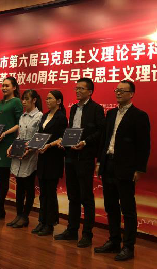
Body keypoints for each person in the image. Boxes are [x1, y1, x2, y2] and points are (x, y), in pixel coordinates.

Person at [94, 80, 151, 262]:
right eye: (116, 90)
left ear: (131, 94)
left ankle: (128, 246)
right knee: (110, 206)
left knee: (127, 209)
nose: (118, 93)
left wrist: (140, 169)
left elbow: (144, 145)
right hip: (108, 164)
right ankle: (114, 241)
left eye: (122, 91)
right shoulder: (110, 113)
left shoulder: (139, 116)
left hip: (126, 167)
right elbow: (104, 140)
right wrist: (99, 161)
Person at [54, 77, 105, 248]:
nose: (77, 91)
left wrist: (85, 142)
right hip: (70, 156)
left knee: (86, 197)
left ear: (90, 91)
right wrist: (65, 141)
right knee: (73, 195)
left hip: (85, 157)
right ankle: (72, 230)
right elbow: (72, 130)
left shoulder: (96, 109)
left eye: (81, 88)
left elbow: (100, 132)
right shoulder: (74, 108)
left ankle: (87, 234)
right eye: (76, 88)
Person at [32, 90, 68, 237]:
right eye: (46, 99)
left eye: (50, 98)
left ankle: (50, 223)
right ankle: (42, 220)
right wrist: (34, 144)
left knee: (50, 192)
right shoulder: (45, 116)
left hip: (53, 157)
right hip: (42, 157)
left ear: (58, 101)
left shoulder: (61, 117)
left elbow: (62, 138)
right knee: (43, 192)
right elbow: (40, 135)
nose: (47, 101)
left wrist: (48, 145)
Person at [0, 76, 23, 221]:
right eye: (3, 85)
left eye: (7, 85)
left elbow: (19, 123)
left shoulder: (16, 101)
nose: (4, 88)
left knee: (4, 177)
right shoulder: (1, 102)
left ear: (14, 87)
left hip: (8, 142)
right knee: (0, 175)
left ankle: (0, 209)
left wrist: (5, 133)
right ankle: (0, 209)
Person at [6, 90, 43, 228]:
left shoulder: (39, 116)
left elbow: (38, 138)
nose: (24, 102)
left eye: (27, 99)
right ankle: (18, 214)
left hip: (31, 155)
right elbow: (19, 136)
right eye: (23, 99)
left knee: (29, 186)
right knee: (19, 187)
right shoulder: (22, 116)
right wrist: (11, 147)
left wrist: (29, 149)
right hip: (19, 155)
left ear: (34, 100)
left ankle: (25, 216)